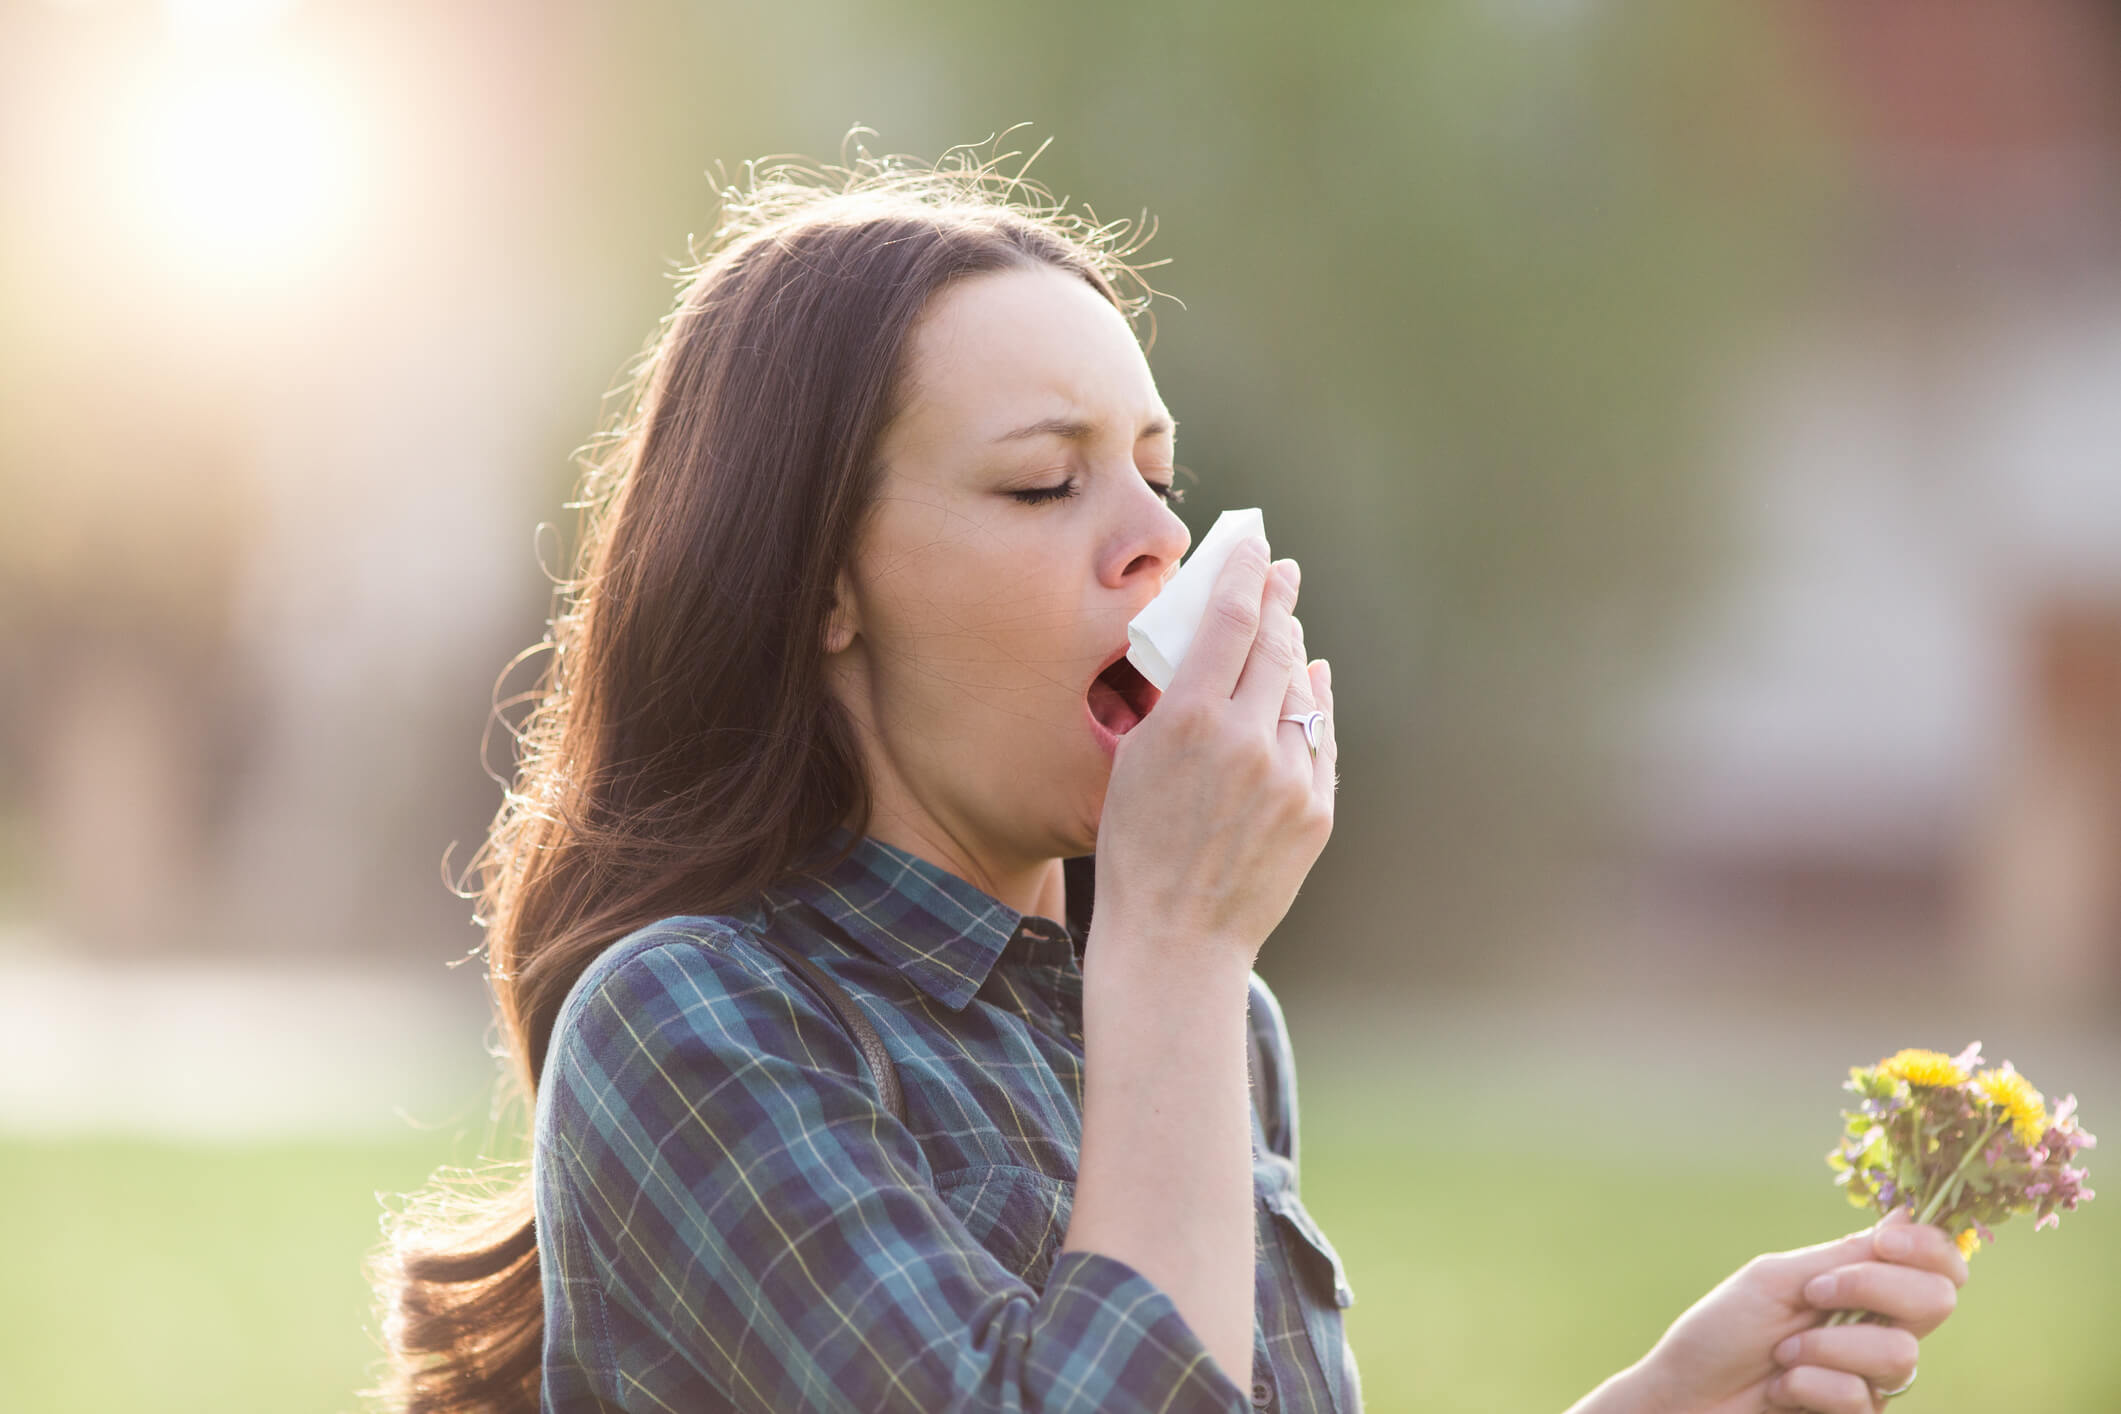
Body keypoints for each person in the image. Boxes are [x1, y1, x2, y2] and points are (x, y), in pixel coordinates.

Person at [370, 145, 1966, 1414]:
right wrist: (1181, 948)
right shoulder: (696, 1023)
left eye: (1158, 473)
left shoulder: (1205, 1026)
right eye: (1043, 480)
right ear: (820, 588)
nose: (1154, 538)